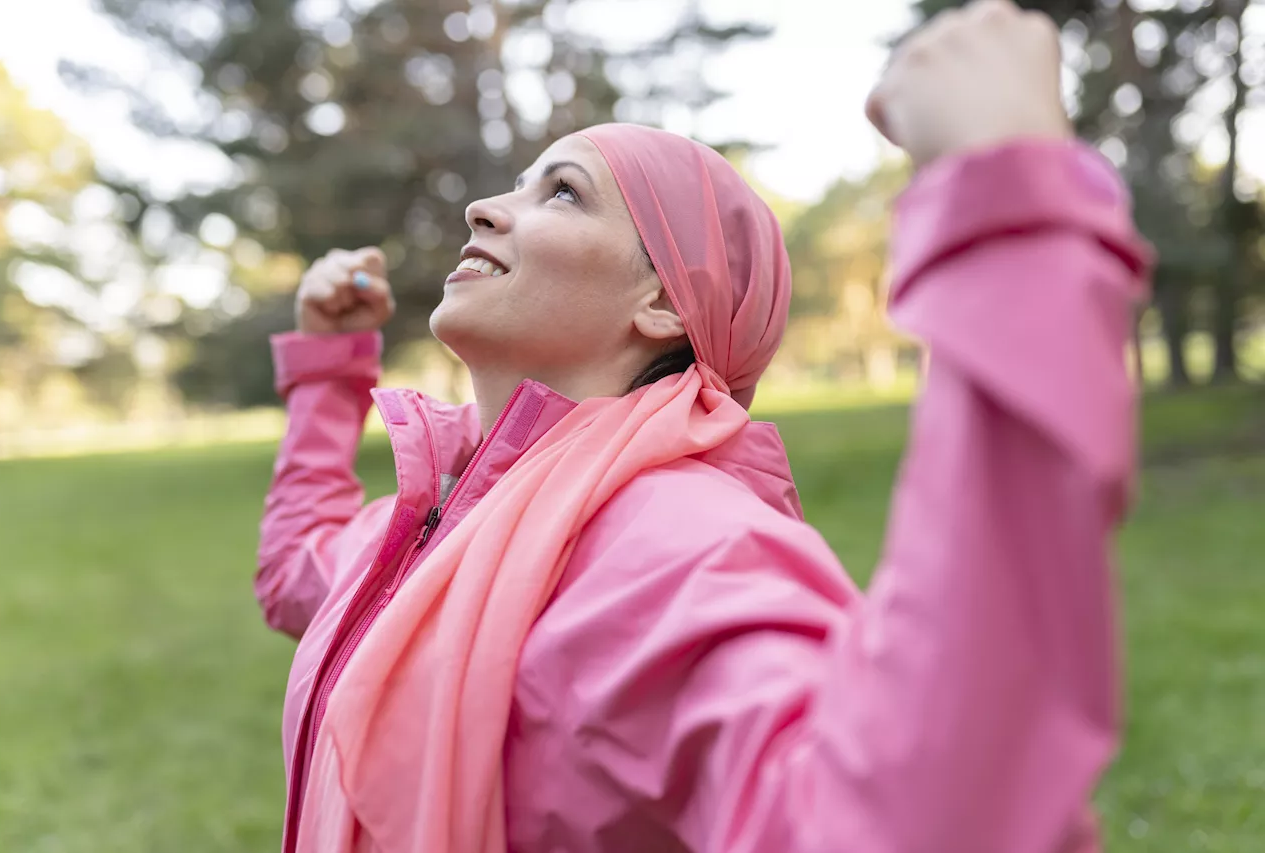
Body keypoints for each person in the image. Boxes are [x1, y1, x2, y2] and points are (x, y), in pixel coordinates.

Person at [255, 2, 1153, 851]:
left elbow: (912, 817)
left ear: (662, 301)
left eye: (562, 193)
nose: (484, 207)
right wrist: (330, 372)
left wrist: (1007, 215)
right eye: (519, 184)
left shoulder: (679, 552)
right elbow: (300, 569)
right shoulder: (437, 517)